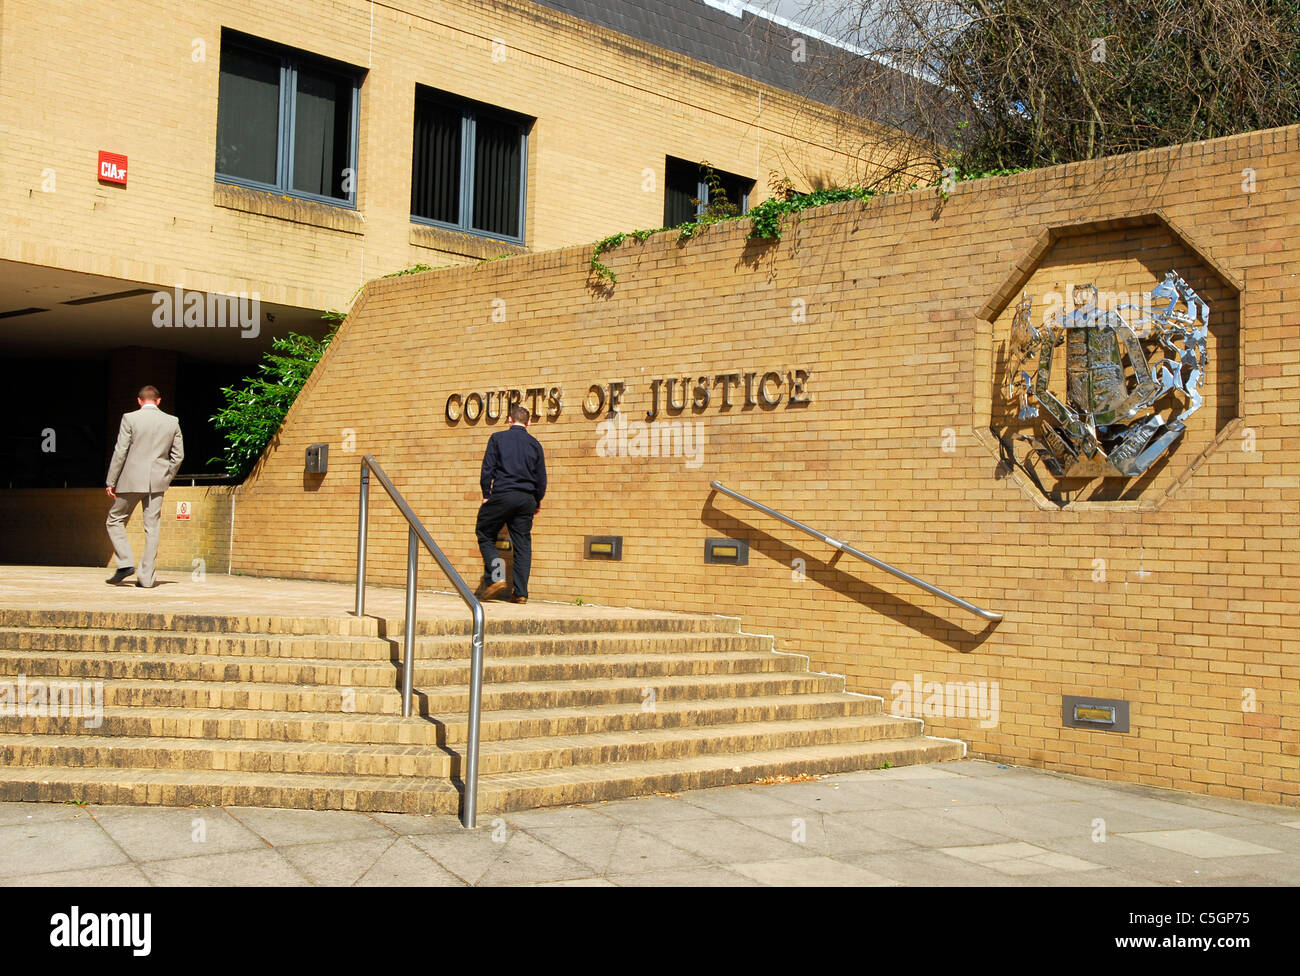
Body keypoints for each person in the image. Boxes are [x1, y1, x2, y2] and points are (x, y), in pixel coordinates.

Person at [104, 385, 185, 587]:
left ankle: (125, 563)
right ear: (159, 401)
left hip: (130, 479)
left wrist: (111, 480)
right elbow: (178, 456)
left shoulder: (130, 418)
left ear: (139, 401)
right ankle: (146, 578)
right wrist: (166, 477)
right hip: (157, 482)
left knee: (115, 519)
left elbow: (120, 450)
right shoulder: (172, 421)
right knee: (152, 528)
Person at [475, 403, 546, 604]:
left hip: (503, 494)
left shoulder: (497, 438)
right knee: (523, 543)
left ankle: (496, 578)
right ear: (529, 422)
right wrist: (537, 501)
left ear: (509, 420)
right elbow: (541, 477)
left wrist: (486, 494)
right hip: (526, 499)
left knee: (485, 532)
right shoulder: (535, 444)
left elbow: (487, 469)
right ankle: (521, 592)